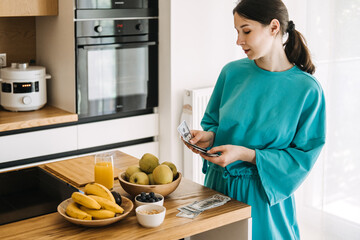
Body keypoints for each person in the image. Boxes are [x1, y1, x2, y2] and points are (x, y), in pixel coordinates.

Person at [183, 0, 326, 239]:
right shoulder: (231, 72)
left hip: (263, 199)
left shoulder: (307, 90)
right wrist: (209, 136)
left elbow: (302, 158)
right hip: (216, 190)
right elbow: (216, 124)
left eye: (246, 30)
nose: (238, 40)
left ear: (273, 27)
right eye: (237, 32)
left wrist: (246, 154)